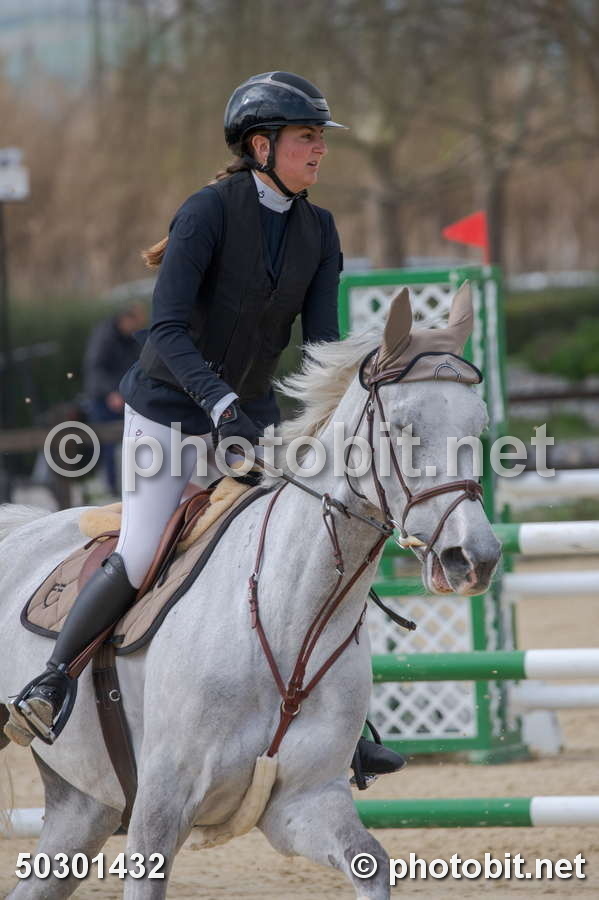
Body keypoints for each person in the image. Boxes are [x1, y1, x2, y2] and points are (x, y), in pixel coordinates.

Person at [6, 71, 405, 782]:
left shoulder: (318, 229)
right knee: (141, 552)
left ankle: (348, 726)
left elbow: (319, 345)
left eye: (320, 138)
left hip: (247, 420)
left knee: (303, 553)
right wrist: (220, 406)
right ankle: (51, 681)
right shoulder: (207, 212)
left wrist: (349, 391)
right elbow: (166, 329)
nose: (320, 149)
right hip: (168, 410)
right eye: (306, 137)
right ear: (262, 145)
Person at [83, 301, 148, 495]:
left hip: (124, 397)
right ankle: (111, 488)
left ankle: (132, 485)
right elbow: (95, 368)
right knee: (108, 444)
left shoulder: (129, 339)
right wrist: (111, 392)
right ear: (125, 318)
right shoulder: (104, 336)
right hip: (103, 399)